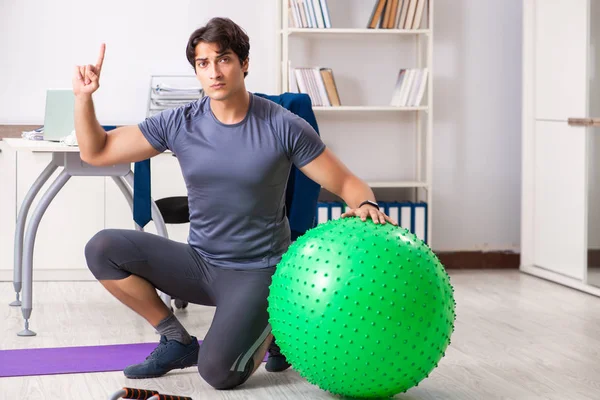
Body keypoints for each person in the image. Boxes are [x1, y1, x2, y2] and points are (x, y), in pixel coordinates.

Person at [74, 16, 397, 390]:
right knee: (103, 248)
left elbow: (345, 181)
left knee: (218, 374)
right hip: (200, 263)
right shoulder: (180, 122)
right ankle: (175, 340)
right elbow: (97, 151)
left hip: (259, 272)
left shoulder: (283, 124)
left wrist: (367, 204)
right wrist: (84, 99)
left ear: (244, 63)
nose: (214, 71)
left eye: (223, 59)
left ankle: (277, 325)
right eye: (203, 63)